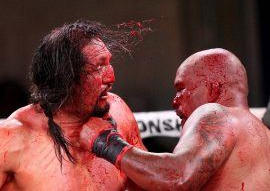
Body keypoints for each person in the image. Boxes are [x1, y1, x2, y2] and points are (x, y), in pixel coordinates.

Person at [80, 48, 270, 190]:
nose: (174, 101)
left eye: (181, 89)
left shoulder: (217, 114)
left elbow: (177, 177)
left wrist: (108, 142)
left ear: (213, 88)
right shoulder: (264, 135)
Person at [0, 20, 145, 190]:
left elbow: (152, 184)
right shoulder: (12, 138)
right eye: (99, 66)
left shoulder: (118, 111)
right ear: (67, 79)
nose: (111, 77)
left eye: (108, 63)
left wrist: (116, 148)